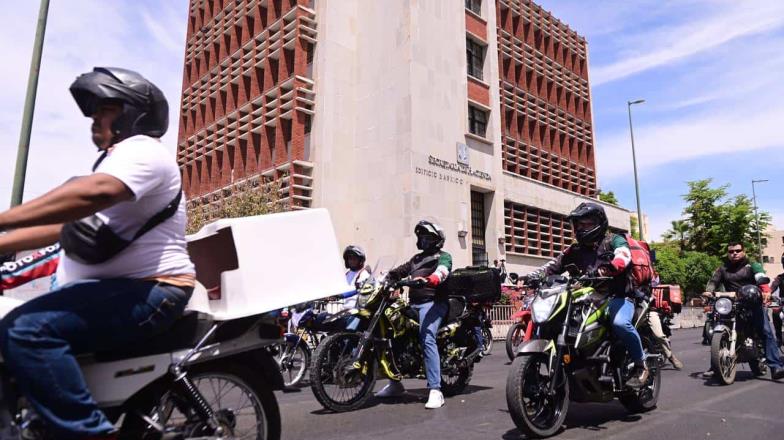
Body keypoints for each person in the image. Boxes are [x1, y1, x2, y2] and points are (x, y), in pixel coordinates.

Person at [0, 67, 195, 439]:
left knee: (27, 330)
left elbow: (92, 193)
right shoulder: (117, 162)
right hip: (116, 290)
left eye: (104, 109)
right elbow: (63, 227)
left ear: (132, 113)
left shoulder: (145, 153)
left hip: (153, 289)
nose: (94, 119)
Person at [523, 202, 650, 388]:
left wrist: (612, 267)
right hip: (585, 297)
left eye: (586, 224)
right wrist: (531, 276)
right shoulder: (574, 250)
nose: (581, 229)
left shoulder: (614, 240)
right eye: (578, 225)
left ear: (599, 223)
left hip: (617, 295)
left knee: (620, 323)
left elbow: (623, 255)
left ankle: (641, 365)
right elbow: (552, 265)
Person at [375, 220, 452, 409]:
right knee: (391, 332)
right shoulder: (415, 260)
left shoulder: (443, 256)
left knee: (427, 337)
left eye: (428, 238)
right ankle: (395, 383)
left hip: (434, 303)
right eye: (422, 238)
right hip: (414, 304)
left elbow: (443, 271)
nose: (424, 241)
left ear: (436, 240)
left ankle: (436, 390)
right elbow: (399, 271)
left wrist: (430, 279)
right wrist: (387, 278)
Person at [701, 243, 784, 380]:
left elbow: (760, 277)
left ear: (743, 251)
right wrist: (708, 291)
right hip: (732, 304)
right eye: (731, 251)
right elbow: (713, 281)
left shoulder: (752, 265)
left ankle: (776, 366)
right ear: (728, 253)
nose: (734, 253)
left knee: (765, 332)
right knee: (717, 326)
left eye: (738, 250)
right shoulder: (723, 268)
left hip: (753, 303)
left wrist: (766, 291)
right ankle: (715, 366)